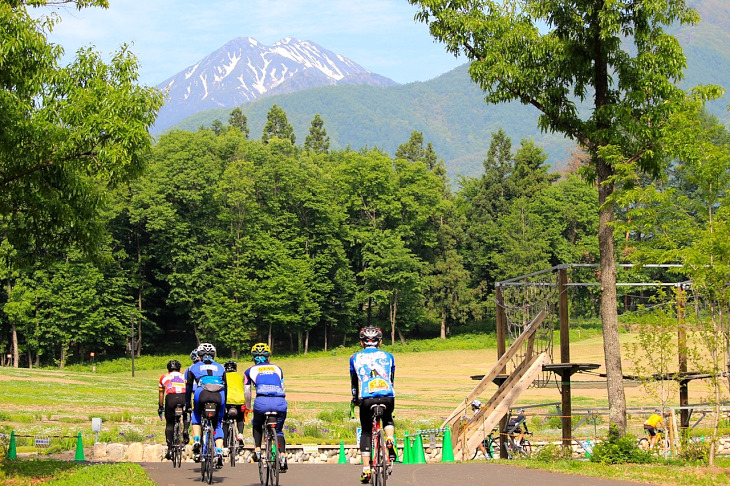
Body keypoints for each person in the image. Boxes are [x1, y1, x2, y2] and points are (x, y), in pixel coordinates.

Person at [350, 327, 396, 484]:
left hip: (367, 398)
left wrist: (355, 398)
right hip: (387, 395)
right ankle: (389, 439)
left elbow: (354, 381)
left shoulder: (355, 357)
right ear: (380, 341)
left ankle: (366, 469)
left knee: (366, 431)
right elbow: (391, 378)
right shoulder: (389, 356)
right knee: (388, 418)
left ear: (362, 342)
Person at [244, 343, 289, 472]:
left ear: (253, 358)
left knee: (257, 423)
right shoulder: (278, 369)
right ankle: (283, 456)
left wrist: (247, 407)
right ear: (269, 357)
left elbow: (247, 392)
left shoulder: (249, 371)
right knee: (279, 431)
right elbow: (282, 387)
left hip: (262, 401)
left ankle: (257, 450)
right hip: (279, 401)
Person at [186, 342, 227, 469]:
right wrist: (223, 406)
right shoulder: (221, 367)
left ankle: (197, 439)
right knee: (218, 423)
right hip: (219, 395)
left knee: (197, 414)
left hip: (201, 393)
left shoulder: (192, 368)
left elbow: (188, 387)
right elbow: (226, 387)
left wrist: (187, 403)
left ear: (199, 355)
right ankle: (219, 452)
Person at [158, 359, 187, 460]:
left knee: (169, 424)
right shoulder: (185, 376)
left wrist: (160, 407)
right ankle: (186, 431)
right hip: (183, 398)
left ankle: (170, 449)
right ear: (179, 369)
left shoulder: (164, 377)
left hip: (171, 399)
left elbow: (161, 394)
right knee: (186, 415)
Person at [223, 360, 247, 452]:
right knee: (240, 418)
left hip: (227, 401)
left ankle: (225, 444)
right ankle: (240, 433)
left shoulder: (223, 376)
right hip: (239, 401)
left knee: (225, 421)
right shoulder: (240, 376)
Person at [181, 348, 201, 443]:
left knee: (189, 411)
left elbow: (187, 383)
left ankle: (186, 428)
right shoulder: (204, 367)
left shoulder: (189, 369)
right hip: (202, 390)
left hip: (192, 391)